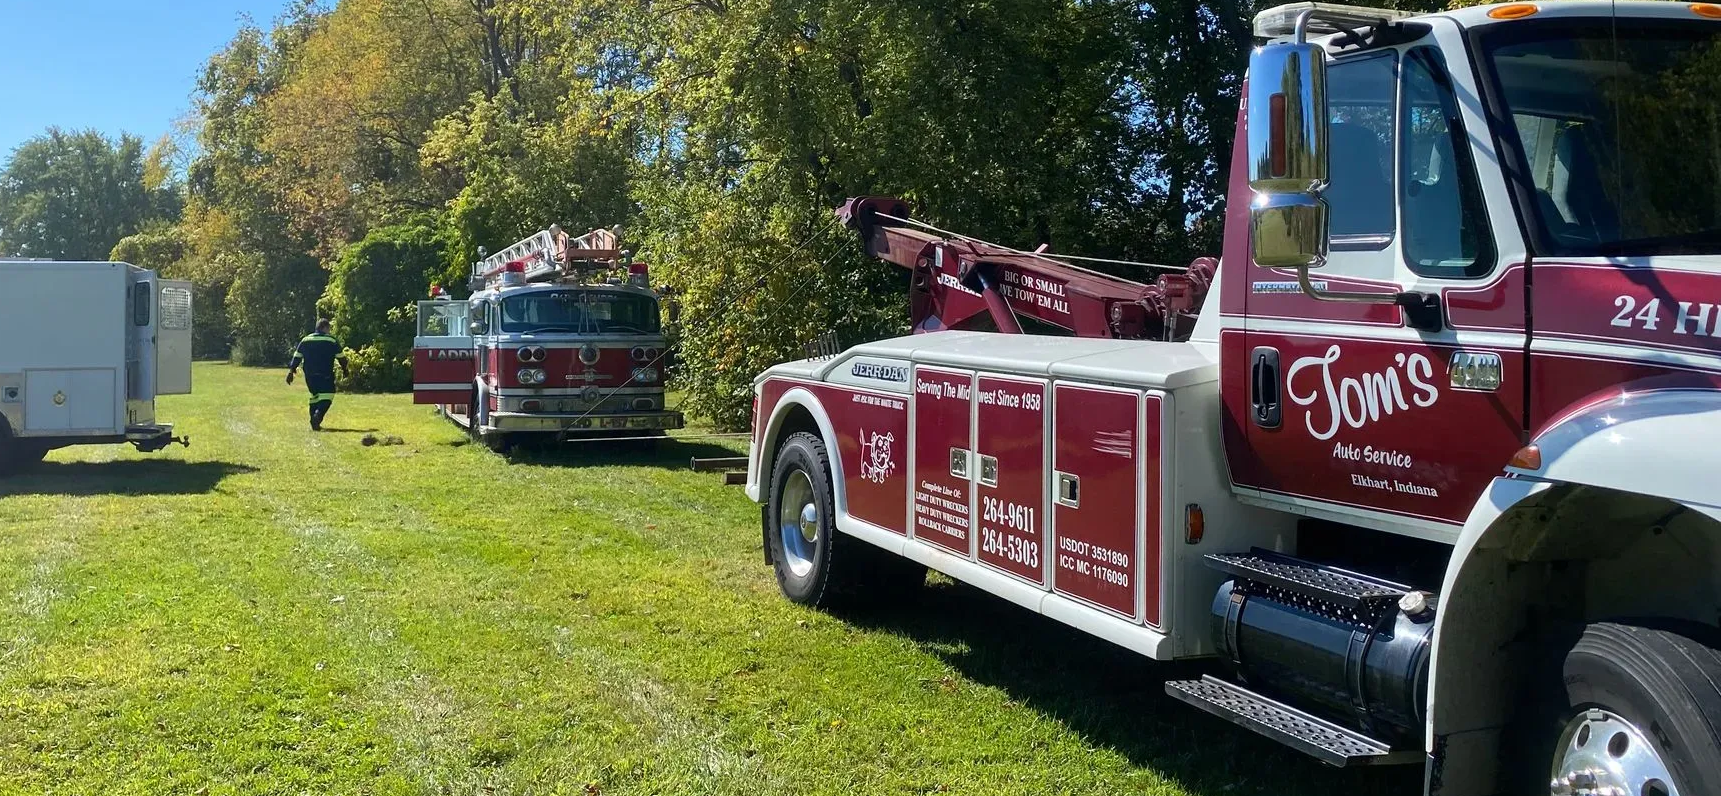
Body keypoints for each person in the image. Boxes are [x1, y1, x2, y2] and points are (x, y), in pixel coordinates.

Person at [287, 319, 351, 431]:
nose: (329, 331)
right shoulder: (331, 340)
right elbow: (341, 357)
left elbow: (297, 357)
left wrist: (291, 372)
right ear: (325, 328)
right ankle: (317, 416)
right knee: (328, 395)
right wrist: (345, 369)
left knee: (315, 396)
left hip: (310, 375)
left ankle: (314, 422)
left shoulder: (306, 340)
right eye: (329, 329)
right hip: (325, 373)